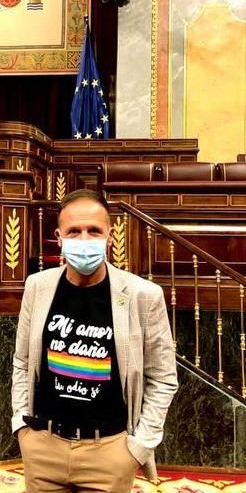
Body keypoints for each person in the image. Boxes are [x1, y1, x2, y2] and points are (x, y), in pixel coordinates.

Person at [11, 189, 178, 493]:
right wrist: (22, 429)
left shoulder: (143, 295)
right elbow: (22, 362)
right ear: (59, 238)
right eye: (74, 231)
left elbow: (164, 378)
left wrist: (137, 449)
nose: (84, 239)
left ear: (110, 236)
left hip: (109, 453)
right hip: (43, 448)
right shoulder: (38, 287)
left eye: (94, 231)